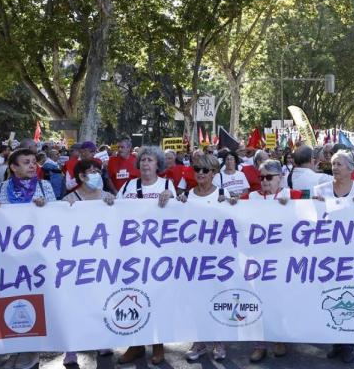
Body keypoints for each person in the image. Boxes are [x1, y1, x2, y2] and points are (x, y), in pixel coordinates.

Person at [0, 149, 54, 369]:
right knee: (11, 302)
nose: (32, 165)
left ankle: (32, 353)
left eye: (34, 162)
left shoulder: (45, 187)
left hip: (37, 256)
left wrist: (46, 209)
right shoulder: (0, 188)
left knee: (35, 301)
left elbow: (57, 218)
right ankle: (16, 350)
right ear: (13, 167)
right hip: (9, 257)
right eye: (26, 162)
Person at [231, 159, 298, 361]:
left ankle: (279, 338)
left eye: (270, 177)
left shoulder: (291, 195)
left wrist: (294, 205)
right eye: (262, 177)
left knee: (280, 301)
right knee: (257, 300)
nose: (265, 181)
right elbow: (224, 205)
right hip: (257, 260)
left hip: (282, 259)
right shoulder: (249, 197)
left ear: (280, 178)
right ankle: (259, 344)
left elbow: (323, 201)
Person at [114, 146, 174, 367]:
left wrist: (172, 197)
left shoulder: (167, 186)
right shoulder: (128, 186)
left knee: (157, 298)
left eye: (150, 160)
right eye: (143, 160)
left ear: (158, 164)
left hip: (159, 254)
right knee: (133, 297)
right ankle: (136, 344)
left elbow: (178, 216)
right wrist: (110, 202)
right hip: (132, 253)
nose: (146, 163)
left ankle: (158, 345)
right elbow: (115, 212)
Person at [314, 150, 354, 364]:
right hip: (328, 256)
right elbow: (311, 219)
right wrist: (312, 205)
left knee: (350, 297)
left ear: (351, 168)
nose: (335, 167)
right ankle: (336, 342)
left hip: (353, 257)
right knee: (332, 297)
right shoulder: (319, 190)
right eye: (333, 163)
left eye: (339, 164)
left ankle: (348, 345)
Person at [60, 159, 115, 366]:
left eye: (97, 171)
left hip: (102, 259)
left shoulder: (108, 197)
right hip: (76, 261)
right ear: (81, 176)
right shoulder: (69, 199)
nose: (95, 175)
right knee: (74, 304)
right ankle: (71, 349)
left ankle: (100, 341)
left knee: (100, 301)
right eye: (90, 171)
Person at [176, 153, 228, 363]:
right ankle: (200, 341)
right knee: (197, 301)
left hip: (219, 259)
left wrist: (232, 206)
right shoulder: (187, 196)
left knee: (218, 299)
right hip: (194, 260)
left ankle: (219, 341)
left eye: (205, 170)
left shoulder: (224, 194)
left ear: (214, 173)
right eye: (196, 169)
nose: (199, 173)